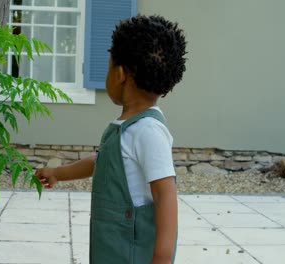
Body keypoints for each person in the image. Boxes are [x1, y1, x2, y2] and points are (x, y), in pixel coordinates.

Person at [35, 15, 187, 264]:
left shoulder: (148, 131)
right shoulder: (127, 128)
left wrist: (161, 258)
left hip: (132, 252)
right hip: (112, 246)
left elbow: (165, 195)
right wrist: (58, 173)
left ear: (119, 74)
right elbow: (102, 160)